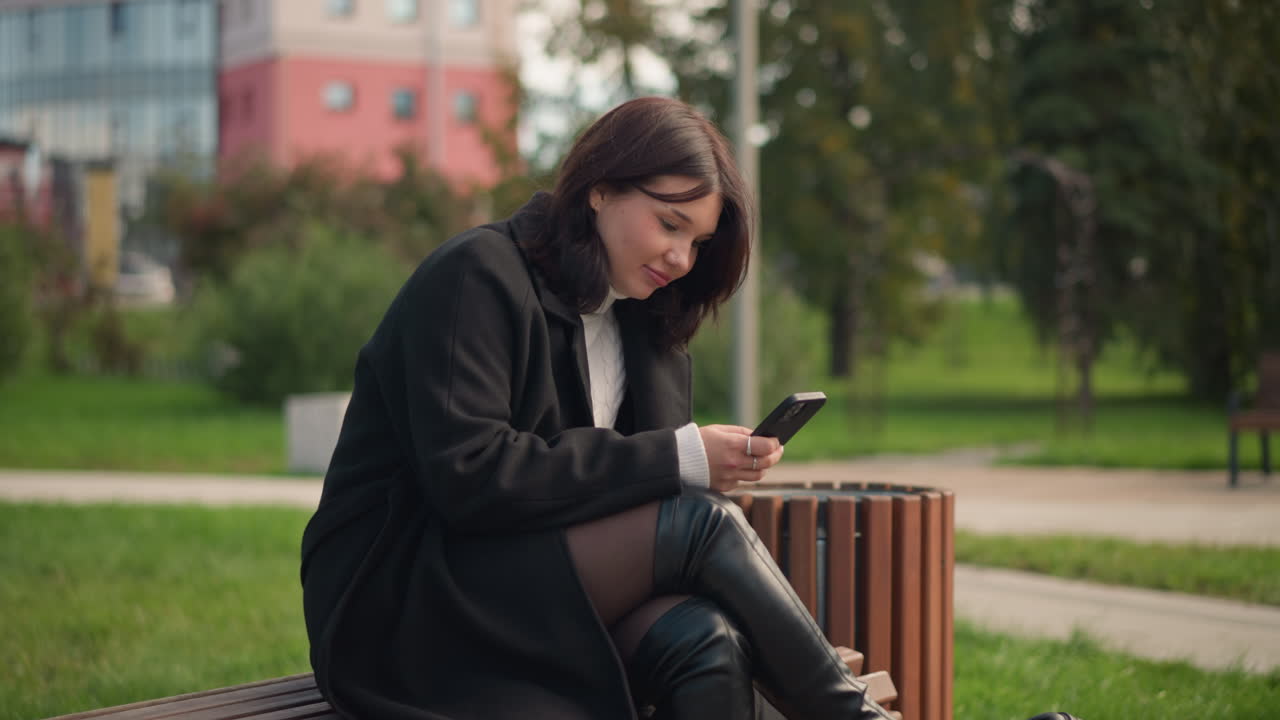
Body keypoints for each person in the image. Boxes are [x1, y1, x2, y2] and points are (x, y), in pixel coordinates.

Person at [300, 96, 1077, 720]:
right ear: (600, 187)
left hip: (533, 594)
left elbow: (640, 497)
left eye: (699, 241)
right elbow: (468, 479)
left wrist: (704, 465)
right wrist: (682, 458)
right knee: (701, 523)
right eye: (671, 223)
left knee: (702, 641)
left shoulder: (648, 322)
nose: (680, 257)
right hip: (407, 602)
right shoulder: (478, 276)